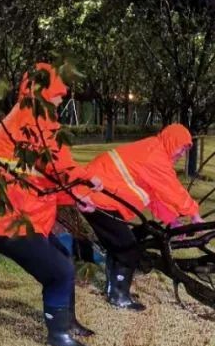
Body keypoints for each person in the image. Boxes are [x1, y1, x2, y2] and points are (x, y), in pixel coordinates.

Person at [0, 63, 97, 346]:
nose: (62, 99)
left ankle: (69, 321)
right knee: (60, 270)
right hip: (5, 221)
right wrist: (84, 187)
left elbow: (42, 176)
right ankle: (59, 335)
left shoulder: (25, 115)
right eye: (58, 93)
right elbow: (58, 167)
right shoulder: (36, 120)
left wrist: (77, 196)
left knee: (62, 258)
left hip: (11, 215)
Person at [78, 124, 203, 311]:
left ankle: (116, 288)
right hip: (98, 199)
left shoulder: (153, 151)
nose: (182, 154)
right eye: (182, 148)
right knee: (127, 248)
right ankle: (118, 296)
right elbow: (172, 189)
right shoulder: (155, 155)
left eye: (186, 150)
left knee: (120, 245)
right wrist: (194, 213)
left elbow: (153, 196)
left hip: (102, 198)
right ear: (172, 141)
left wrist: (172, 220)